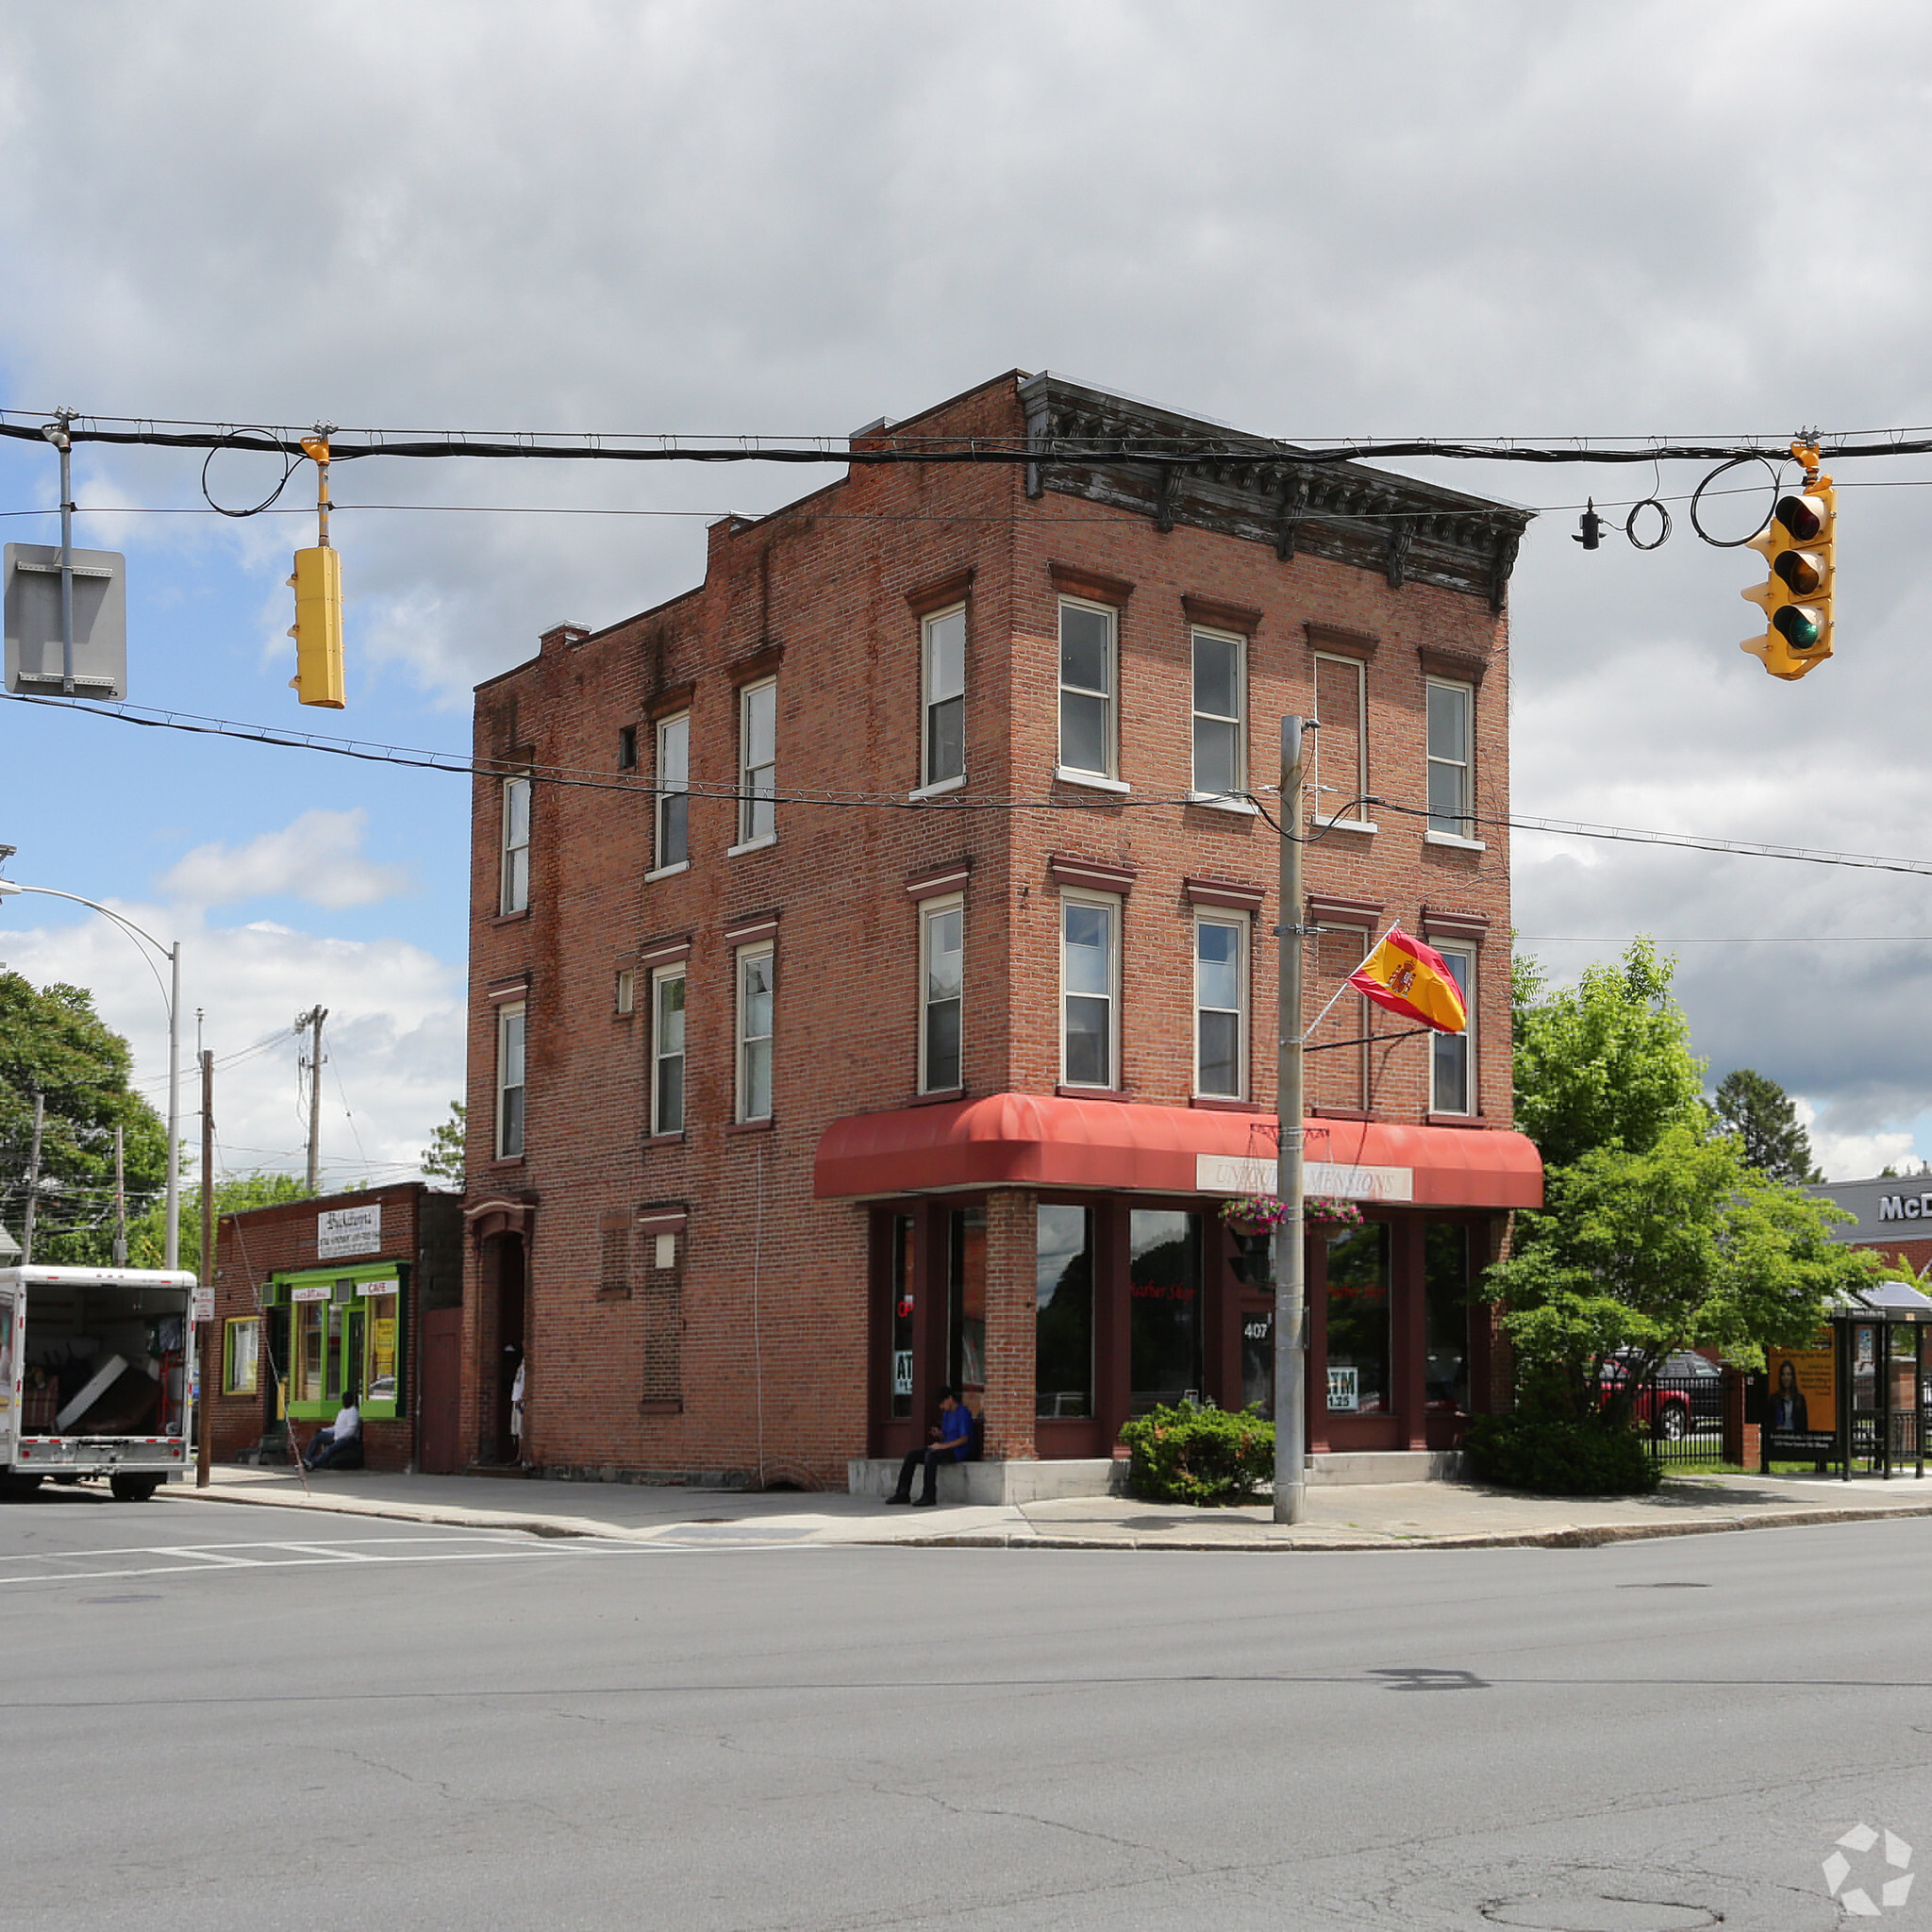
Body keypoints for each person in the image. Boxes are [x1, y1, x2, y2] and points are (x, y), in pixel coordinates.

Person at [887, 1387, 974, 1507]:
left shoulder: (963, 1412)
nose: (941, 1407)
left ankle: (929, 1495)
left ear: (950, 1399)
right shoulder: (947, 1415)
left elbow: (964, 1438)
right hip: (945, 1447)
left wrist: (943, 1446)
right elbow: (947, 1435)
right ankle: (902, 1493)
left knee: (931, 1456)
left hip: (958, 1451)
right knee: (911, 1455)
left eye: (942, 1403)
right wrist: (939, 1435)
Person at [303, 1392, 362, 1470]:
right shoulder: (342, 1412)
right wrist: (323, 1430)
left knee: (329, 1449)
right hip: (336, 1436)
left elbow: (351, 1430)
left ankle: (313, 1463)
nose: (344, 1401)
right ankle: (307, 1459)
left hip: (348, 1439)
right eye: (343, 1399)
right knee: (318, 1437)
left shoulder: (353, 1412)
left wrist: (338, 1437)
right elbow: (336, 1427)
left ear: (351, 1400)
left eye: (346, 1399)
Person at [1768, 1357, 1809, 1433]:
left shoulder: (1799, 1399)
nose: (1786, 1377)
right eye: (1783, 1374)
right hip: (1779, 1439)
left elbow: (1804, 1425)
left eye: (1788, 1374)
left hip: (1795, 1440)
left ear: (1793, 1377)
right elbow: (1768, 1422)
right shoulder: (1774, 1398)